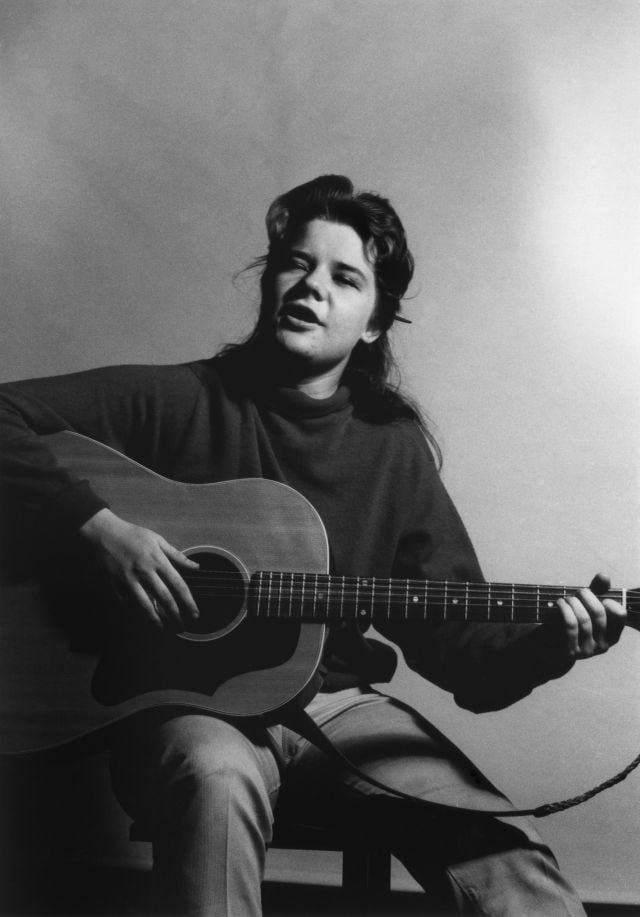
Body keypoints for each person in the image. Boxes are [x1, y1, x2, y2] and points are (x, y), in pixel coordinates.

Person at [0, 175, 626, 916]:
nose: (311, 286)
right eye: (296, 263)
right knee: (214, 780)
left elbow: (462, 656)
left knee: (501, 847)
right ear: (270, 281)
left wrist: (551, 642)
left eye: (344, 276)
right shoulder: (181, 399)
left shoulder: (392, 454)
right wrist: (99, 530)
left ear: (372, 323)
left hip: (337, 708)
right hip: (196, 713)